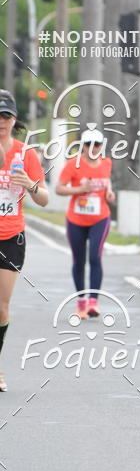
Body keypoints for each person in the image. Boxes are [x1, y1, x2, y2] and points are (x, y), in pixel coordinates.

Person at [0, 90, 48, 392]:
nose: (1, 122)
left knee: (1, 308)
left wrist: (29, 185)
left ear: (14, 120)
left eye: (6, 117)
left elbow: (44, 198)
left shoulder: (25, 154)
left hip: (10, 237)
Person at [56, 129, 115, 320]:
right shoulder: (73, 165)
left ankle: (93, 302)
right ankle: (81, 302)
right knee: (79, 261)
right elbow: (59, 188)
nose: (93, 148)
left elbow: (107, 181)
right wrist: (81, 189)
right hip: (76, 219)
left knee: (95, 258)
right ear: (83, 146)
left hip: (100, 217)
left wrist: (110, 193)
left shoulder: (107, 163)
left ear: (101, 146)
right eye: (88, 144)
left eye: (96, 144)